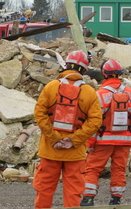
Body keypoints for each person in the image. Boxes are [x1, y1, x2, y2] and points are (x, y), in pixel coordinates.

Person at [33, 50, 103, 209]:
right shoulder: (89, 92)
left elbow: (39, 113)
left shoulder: (51, 87)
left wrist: (54, 138)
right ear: (84, 70)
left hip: (50, 150)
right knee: (73, 192)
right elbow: (95, 121)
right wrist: (73, 140)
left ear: (65, 65)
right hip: (75, 153)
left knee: (44, 189)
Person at [80, 59, 131, 206]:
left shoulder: (99, 95)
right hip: (124, 140)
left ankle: (88, 198)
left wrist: (90, 142)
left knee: (93, 169)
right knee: (119, 169)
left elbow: (93, 122)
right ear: (120, 74)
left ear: (104, 74)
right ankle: (116, 199)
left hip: (103, 140)